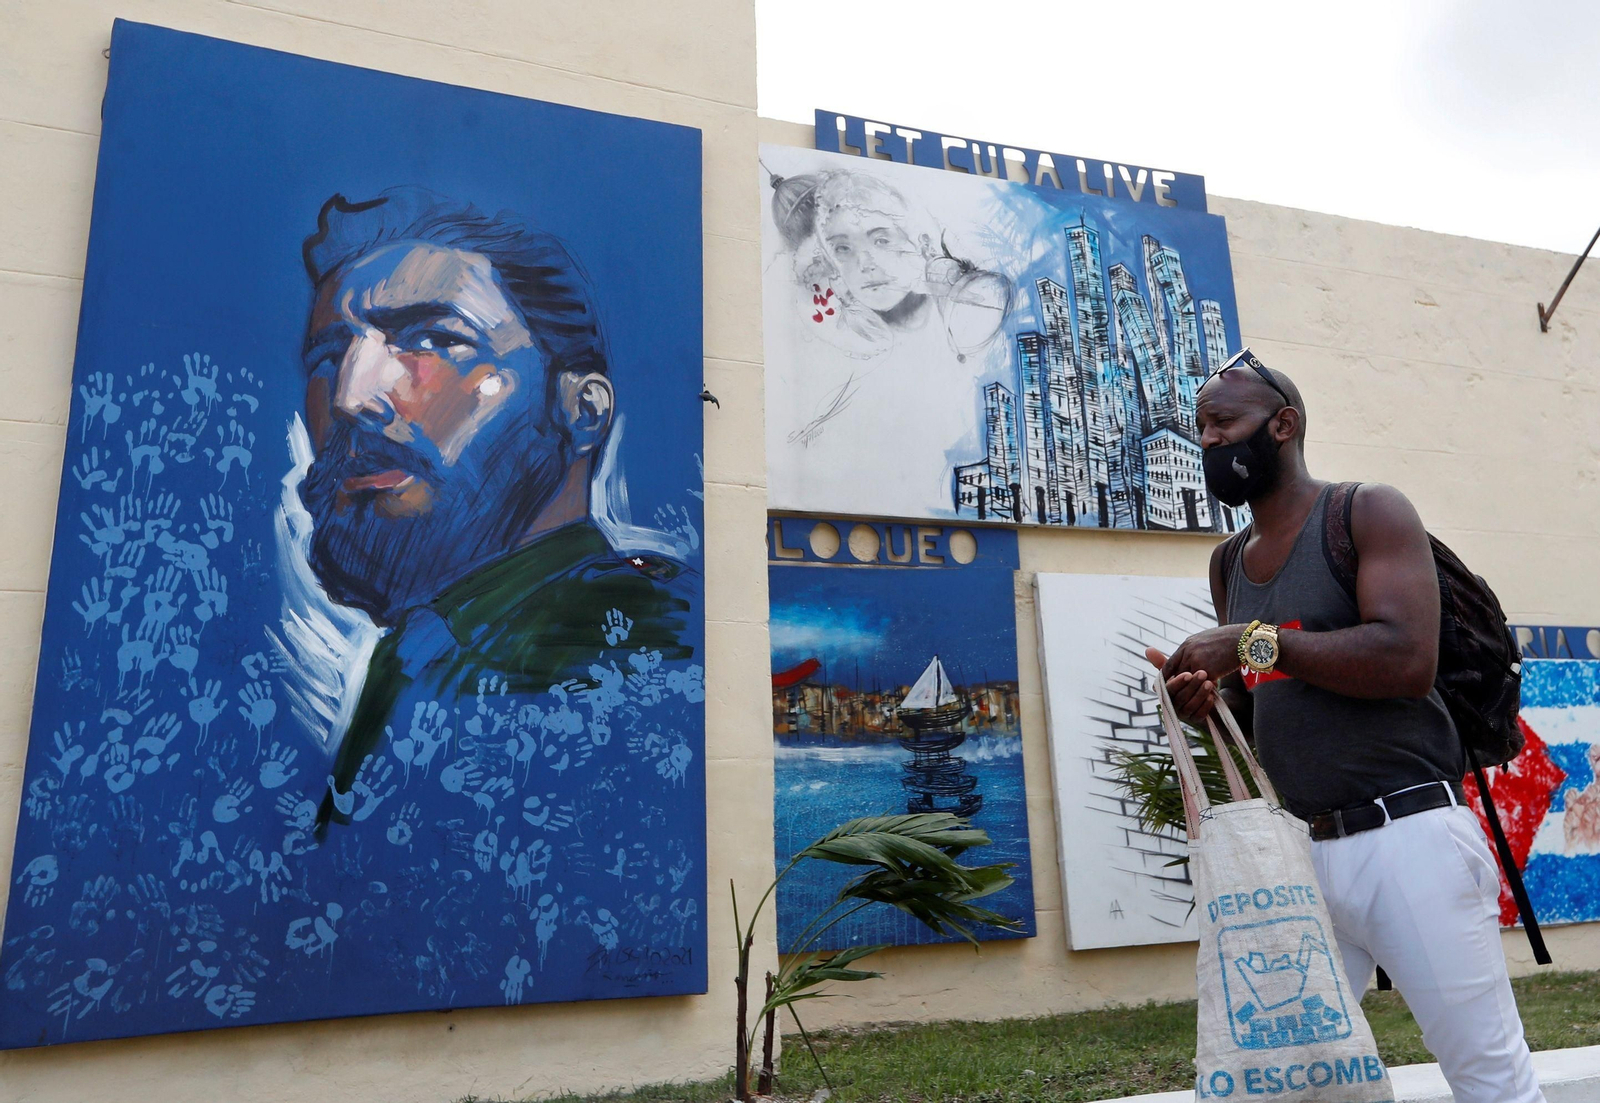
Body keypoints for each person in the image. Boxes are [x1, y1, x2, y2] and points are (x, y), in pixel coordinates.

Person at [1152, 349, 1544, 1103]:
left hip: (1410, 838)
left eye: (1224, 423)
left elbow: (1404, 658)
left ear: (1284, 424)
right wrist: (1210, 697)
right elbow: (1263, 695)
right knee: (1286, 1085)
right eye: (1200, 428)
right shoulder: (1227, 561)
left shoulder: (1366, 511)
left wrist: (1246, 641)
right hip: (1298, 857)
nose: (1208, 441)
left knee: (1491, 1079)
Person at [295, 187, 694, 832]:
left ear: (582, 411)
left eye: (432, 338)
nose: (351, 393)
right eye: (327, 356)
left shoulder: (634, 644)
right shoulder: (432, 647)